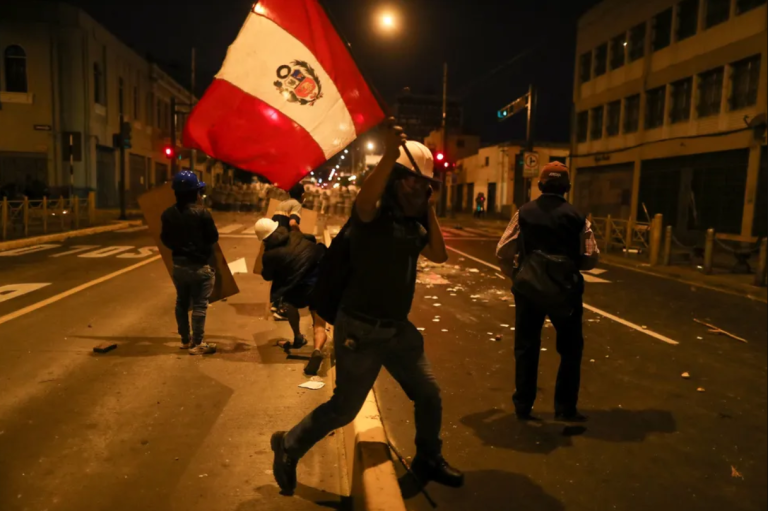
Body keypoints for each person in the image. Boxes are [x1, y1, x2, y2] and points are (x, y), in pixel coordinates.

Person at [270, 121, 464, 496]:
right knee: (344, 408)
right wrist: (390, 154)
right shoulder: (373, 215)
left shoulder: (414, 221)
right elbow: (364, 199)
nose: (422, 189)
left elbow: (439, 255)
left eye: (428, 185)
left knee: (429, 394)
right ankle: (288, 445)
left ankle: (428, 457)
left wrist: (429, 210)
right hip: (361, 329)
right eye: (415, 182)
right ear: (395, 179)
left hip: (396, 329)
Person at [496, 161, 599, 422]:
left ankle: (523, 405)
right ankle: (565, 408)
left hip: (529, 290)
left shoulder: (524, 213)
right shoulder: (578, 217)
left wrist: (518, 275)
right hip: (565, 291)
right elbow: (590, 257)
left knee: (527, 346)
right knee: (570, 348)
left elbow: (503, 251)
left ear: (540, 185)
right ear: (567, 188)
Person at [255, 217, 328, 375]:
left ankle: (298, 336)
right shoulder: (295, 235)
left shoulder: (270, 255)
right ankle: (317, 349)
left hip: (298, 288)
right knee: (319, 323)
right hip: (318, 281)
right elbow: (312, 239)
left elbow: (267, 276)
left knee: (288, 302)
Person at [160, 171, 219, 356]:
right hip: (200, 266)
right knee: (200, 305)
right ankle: (197, 343)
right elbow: (213, 237)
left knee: (181, 303)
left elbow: (165, 239)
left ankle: (185, 341)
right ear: (195, 193)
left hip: (178, 266)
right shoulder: (202, 213)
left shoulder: (167, 214)